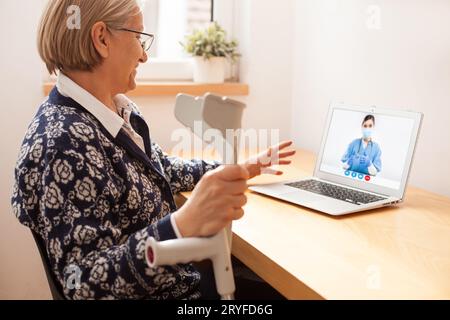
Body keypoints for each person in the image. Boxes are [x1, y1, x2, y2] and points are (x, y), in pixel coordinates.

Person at [11, 0, 296, 299]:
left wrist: (234, 170)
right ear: (102, 38)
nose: (145, 55)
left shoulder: (114, 111)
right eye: (138, 37)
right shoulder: (64, 144)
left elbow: (161, 170)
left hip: (183, 281)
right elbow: (82, 283)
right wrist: (182, 224)